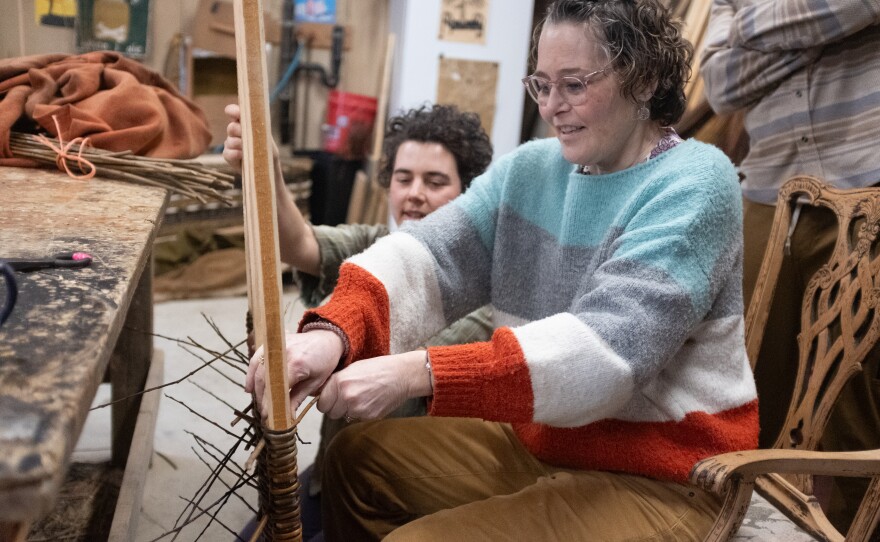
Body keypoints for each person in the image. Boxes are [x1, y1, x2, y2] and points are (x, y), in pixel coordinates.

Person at [247, 0, 759, 539]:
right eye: (541, 84)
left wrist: (416, 372)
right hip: (548, 440)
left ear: (646, 79)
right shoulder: (530, 170)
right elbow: (428, 254)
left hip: (665, 473)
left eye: (575, 84)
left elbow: (608, 355)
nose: (552, 107)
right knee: (356, 461)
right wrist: (334, 331)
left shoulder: (697, 184)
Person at [224, 102, 494, 540]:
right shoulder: (378, 245)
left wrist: (330, 335)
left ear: (469, 194)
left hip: (405, 498)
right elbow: (301, 244)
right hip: (334, 470)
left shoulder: (485, 291)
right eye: (403, 179)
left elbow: (401, 358)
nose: (414, 194)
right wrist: (267, 172)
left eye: (436, 181)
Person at [700, 0, 880, 532]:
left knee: (853, 411)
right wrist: (819, 27)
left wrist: (751, 24)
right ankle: (730, 525)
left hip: (868, 179)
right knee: (741, 391)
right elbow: (720, 84)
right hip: (767, 194)